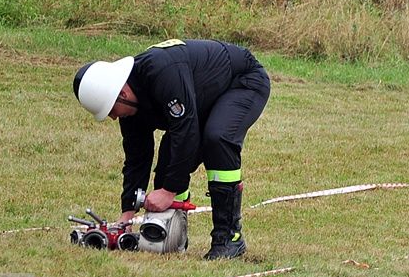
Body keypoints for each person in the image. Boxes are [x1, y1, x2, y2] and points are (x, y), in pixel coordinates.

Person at [72, 39, 270, 259]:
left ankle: (229, 239)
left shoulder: (161, 72)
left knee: (217, 137)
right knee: (169, 157)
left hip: (242, 81)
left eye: (110, 110)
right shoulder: (129, 106)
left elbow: (186, 131)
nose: (112, 117)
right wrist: (127, 213)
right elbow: (137, 157)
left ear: (122, 94)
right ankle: (174, 238)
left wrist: (168, 191)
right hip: (202, 96)